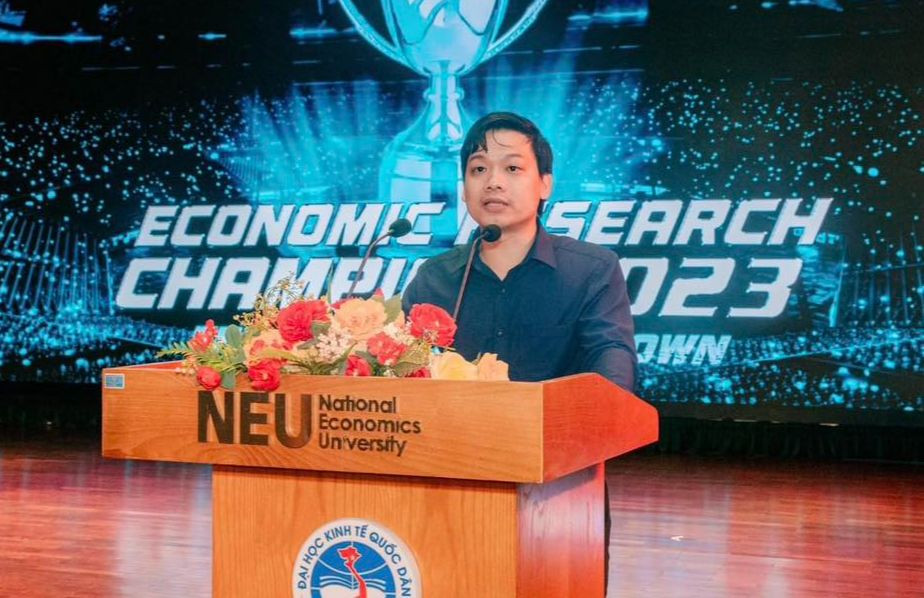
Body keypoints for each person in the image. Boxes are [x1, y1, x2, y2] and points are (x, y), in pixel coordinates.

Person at [401, 111, 637, 590]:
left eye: (512, 168)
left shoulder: (591, 270)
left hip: (560, 486)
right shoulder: (434, 279)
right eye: (478, 169)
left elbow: (613, 361)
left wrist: (580, 421)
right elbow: (405, 378)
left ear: (545, 184)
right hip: (451, 483)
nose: (493, 182)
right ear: (464, 189)